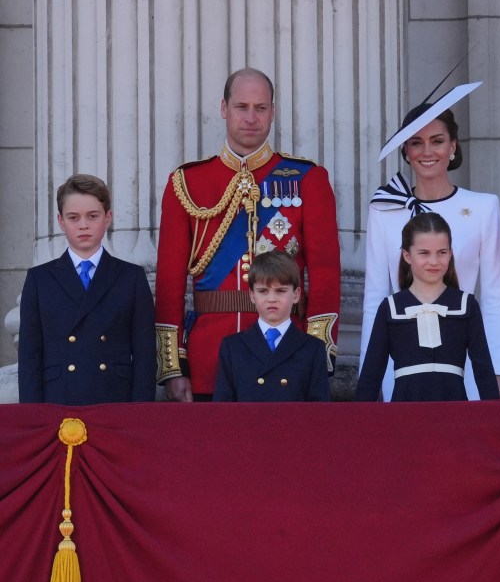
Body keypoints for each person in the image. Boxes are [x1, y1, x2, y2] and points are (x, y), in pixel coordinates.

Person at [155, 68, 341, 401]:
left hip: (289, 356)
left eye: (261, 107)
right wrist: (174, 366)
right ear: (224, 109)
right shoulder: (186, 183)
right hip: (209, 358)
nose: (251, 117)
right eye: (242, 107)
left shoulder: (307, 179)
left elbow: (325, 273)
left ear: (273, 111)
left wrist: (319, 353)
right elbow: (169, 283)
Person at [362, 88, 500, 399]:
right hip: (400, 370)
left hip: (465, 365)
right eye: (416, 142)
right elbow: (375, 297)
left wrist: (498, 370)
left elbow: (494, 298)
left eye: (437, 141)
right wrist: (369, 376)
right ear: (405, 151)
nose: (427, 151)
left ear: (453, 146)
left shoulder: (484, 207)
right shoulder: (384, 209)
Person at [18, 174, 156, 405]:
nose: (83, 225)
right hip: (58, 400)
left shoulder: (131, 277)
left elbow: (145, 355)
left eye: (93, 216)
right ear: (61, 221)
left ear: (108, 218)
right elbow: (29, 356)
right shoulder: (39, 279)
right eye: (74, 217)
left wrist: (140, 413)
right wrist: (33, 415)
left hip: (114, 399)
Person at [356, 213, 499, 402]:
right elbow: (371, 375)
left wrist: (496, 420)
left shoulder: (466, 305)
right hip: (405, 416)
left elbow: (484, 371)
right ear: (407, 255)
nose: (434, 261)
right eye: (424, 253)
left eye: (442, 252)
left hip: (454, 415)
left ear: (450, 253)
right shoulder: (390, 308)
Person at [213, 251, 330, 402]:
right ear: (252, 295)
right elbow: (223, 410)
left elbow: (319, 411)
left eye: (280, 291)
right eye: (263, 291)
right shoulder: (233, 347)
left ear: (296, 294)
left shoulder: (313, 348)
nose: (272, 299)